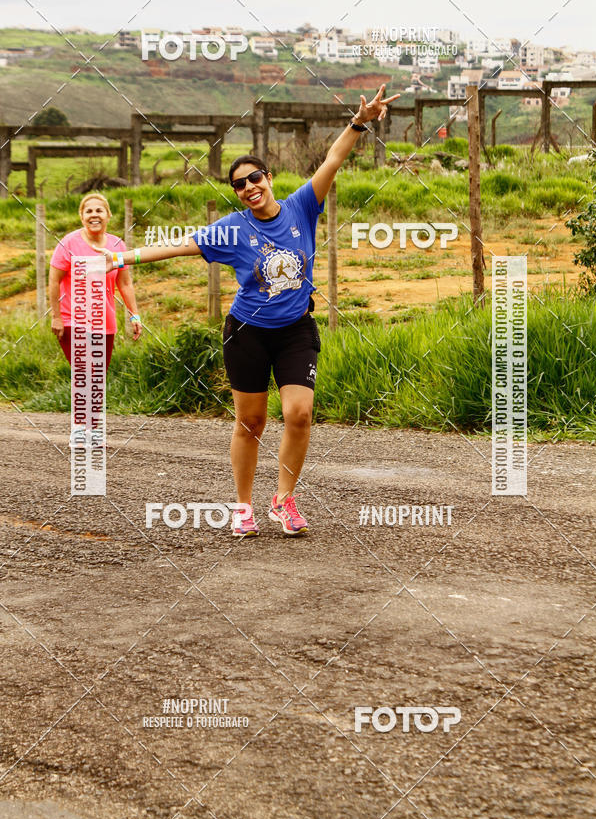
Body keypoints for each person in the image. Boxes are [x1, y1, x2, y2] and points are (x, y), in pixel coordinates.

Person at [96, 85, 399, 536]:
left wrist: (360, 121)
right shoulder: (231, 228)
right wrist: (126, 257)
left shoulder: (302, 206)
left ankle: (283, 500)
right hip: (247, 332)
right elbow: (181, 245)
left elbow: (332, 159)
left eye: (254, 178)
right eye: (239, 185)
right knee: (251, 421)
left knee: (299, 413)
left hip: (296, 329)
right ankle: (242, 506)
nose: (248, 188)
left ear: (268, 177)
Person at [49, 192, 142, 447]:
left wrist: (134, 314)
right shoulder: (68, 243)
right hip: (72, 320)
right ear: (82, 216)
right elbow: (54, 280)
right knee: (83, 373)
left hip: (105, 322)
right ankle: (80, 428)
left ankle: (94, 428)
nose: (94, 215)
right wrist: (56, 316)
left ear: (108, 215)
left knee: (97, 375)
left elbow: (124, 282)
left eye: (99, 210)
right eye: (88, 211)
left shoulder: (117, 245)